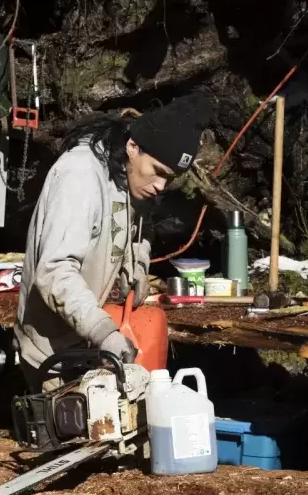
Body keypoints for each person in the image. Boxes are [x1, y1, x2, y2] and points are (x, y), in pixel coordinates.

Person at [16, 94, 212, 391]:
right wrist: (103, 331)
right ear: (132, 146)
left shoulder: (131, 175)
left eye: (170, 179)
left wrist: (138, 264)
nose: (161, 186)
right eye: (158, 172)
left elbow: (141, 228)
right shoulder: (80, 176)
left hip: (88, 347)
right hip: (51, 354)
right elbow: (54, 272)